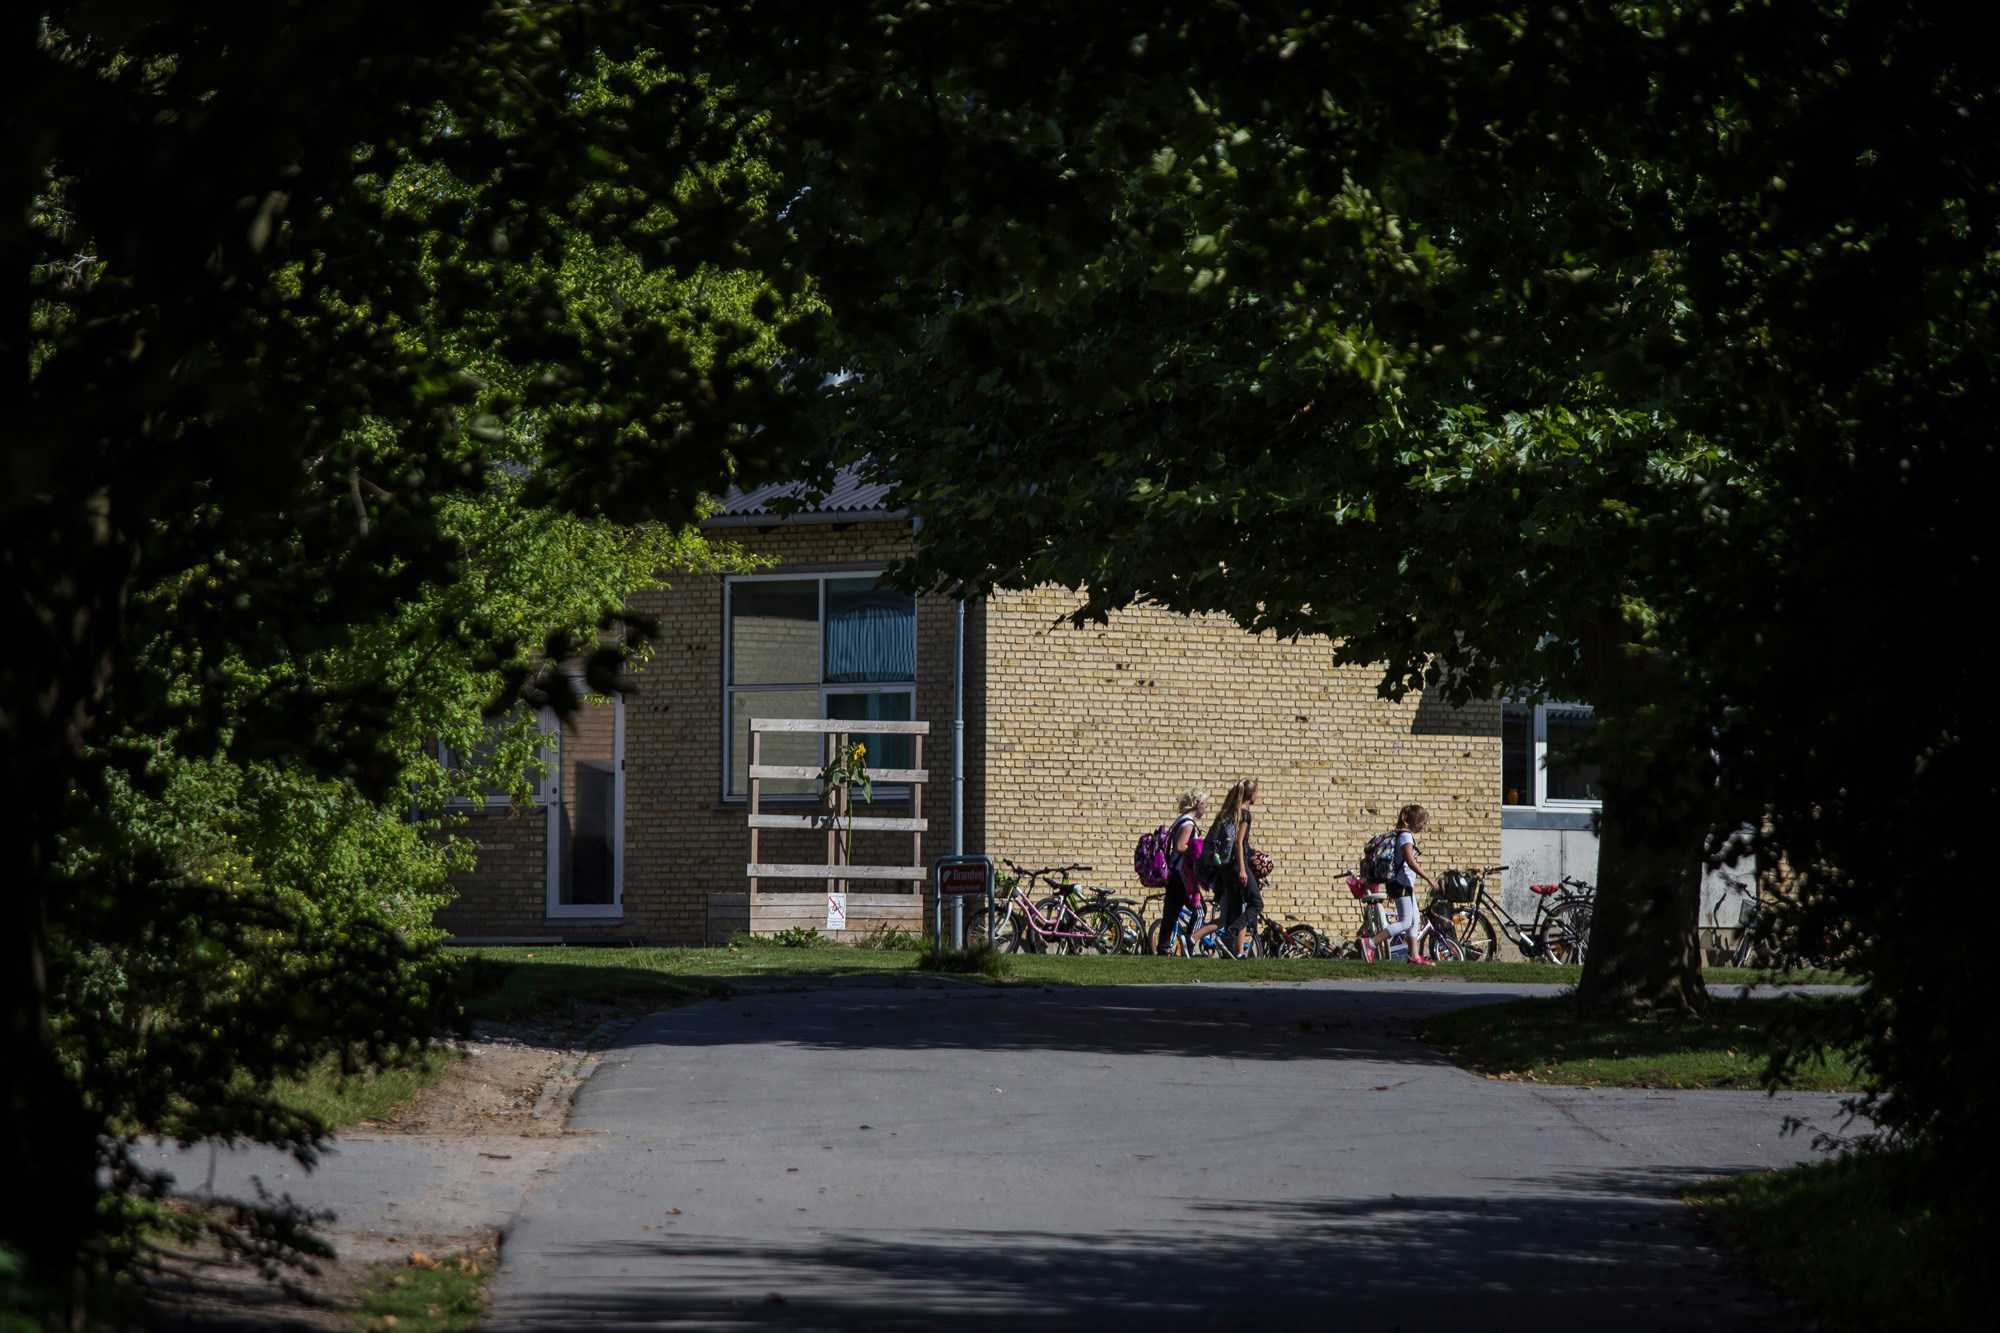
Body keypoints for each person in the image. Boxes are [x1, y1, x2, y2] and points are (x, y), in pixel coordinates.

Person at [1203, 777, 1262, 957]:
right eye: (1257, 792)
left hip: (1225, 866)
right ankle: (1232, 932)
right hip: (1238, 865)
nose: (1259, 795)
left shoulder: (1228, 812)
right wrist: (1244, 869)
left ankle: (1234, 951)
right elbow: (1238, 843)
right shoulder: (1245, 814)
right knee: (1256, 903)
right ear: (1251, 794)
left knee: (1236, 908)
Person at [1377, 803, 1438, 966]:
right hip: (1402, 884)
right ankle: (1371, 942)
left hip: (1403, 884)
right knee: (1405, 922)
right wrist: (1428, 879)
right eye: (1422, 823)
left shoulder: (1402, 835)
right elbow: (1410, 862)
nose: (1424, 826)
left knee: (1415, 920)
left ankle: (1414, 956)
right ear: (1412, 821)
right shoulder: (1406, 836)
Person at [1156, 789, 1208, 954]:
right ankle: (1189, 945)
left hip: (1174, 873)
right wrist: (1197, 848)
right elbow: (1180, 846)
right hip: (1182, 874)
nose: (1205, 808)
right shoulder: (1188, 823)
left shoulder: (1181, 820)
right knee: (1200, 911)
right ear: (1198, 804)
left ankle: (1163, 948)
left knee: (1171, 912)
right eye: (1205, 804)